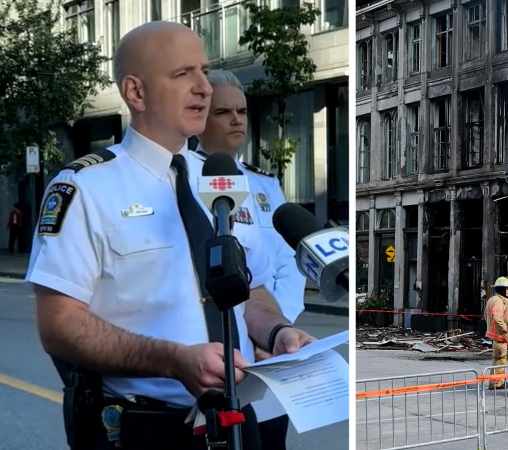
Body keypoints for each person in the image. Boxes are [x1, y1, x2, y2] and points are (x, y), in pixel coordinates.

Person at [25, 21, 313, 450]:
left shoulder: (224, 180)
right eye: (183, 75)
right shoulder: (85, 187)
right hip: (142, 429)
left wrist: (277, 332)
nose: (203, 88)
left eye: (203, 71)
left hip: (237, 419)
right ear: (135, 92)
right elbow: (59, 326)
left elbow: (247, 288)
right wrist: (173, 360)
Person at [192, 69, 307, 449]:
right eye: (224, 112)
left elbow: (288, 266)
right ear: (200, 119)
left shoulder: (264, 184)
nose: (237, 119)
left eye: (241, 111)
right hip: (221, 355)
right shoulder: (183, 181)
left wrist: (276, 328)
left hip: (270, 355)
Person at [484, 277, 508, 390]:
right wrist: (506, 329)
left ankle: (495, 382)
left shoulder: (492, 299)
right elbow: (498, 318)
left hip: (494, 334)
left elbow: (486, 315)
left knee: (497, 359)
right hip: (499, 335)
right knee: (500, 359)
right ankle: (497, 383)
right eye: (507, 288)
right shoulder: (499, 301)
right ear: (502, 289)